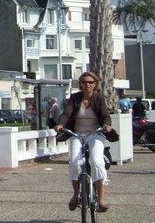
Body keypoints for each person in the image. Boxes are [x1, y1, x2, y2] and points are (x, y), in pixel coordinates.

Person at [54, 71, 113, 213]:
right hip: (76, 134)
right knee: (74, 163)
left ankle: (101, 200)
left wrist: (106, 125)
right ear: (80, 84)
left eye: (91, 82)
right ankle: (75, 195)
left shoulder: (99, 98)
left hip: (95, 134)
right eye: (85, 82)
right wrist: (60, 124)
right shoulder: (74, 98)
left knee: (97, 161)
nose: (88, 85)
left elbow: (105, 115)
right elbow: (66, 114)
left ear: (95, 84)